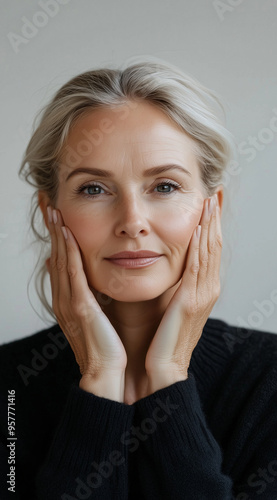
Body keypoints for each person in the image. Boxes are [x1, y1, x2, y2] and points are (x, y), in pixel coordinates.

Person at [0, 58, 277, 500]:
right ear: (49, 213)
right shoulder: (9, 391)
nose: (132, 221)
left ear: (212, 208)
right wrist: (98, 379)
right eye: (94, 188)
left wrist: (169, 376)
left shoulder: (268, 380)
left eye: (164, 186)